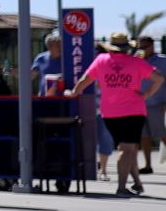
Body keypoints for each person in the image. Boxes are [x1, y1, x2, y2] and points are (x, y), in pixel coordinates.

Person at [67, 31, 165, 197]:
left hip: (109, 113)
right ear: (127, 47)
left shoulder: (101, 60)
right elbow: (159, 79)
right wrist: (146, 95)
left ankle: (137, 183)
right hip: (134, 111)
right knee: (127, 149)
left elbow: (85, 79)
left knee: (128, 148)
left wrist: (74, 92)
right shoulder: (136, 62)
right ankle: (121, 187)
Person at [138, 35, 166, 175]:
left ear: (152, 46)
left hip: (157, 103)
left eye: (145, 47)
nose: (142, 50)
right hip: (139, 104)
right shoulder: (136, 61)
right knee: (144, 136)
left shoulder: (163, 61)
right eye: (140, 47)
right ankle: (147, 165)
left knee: (161, 134)